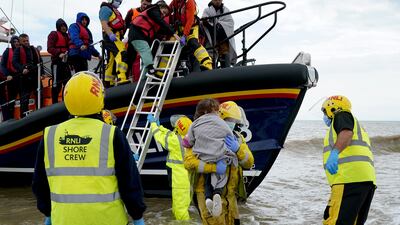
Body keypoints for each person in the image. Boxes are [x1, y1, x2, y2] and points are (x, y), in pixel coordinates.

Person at [32, 71, 146, 225]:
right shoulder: (112, 134)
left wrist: (48, 213)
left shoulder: (50, 135)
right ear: (99, 96)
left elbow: (40, 184)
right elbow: (129, 182)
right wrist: (137, 216)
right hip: (108, 220)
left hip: (64, 220)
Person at [184, 100, 254, 225]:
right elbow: (189, 162)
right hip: (207, 194)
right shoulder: (201, 136)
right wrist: (213, 168)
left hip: (230, 198)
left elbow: (249, 163)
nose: (231, 124)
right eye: (229, 120)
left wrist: (238, 149)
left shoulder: (238, 138)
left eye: (234, 121)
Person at [321, 95, 376, 225]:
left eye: (324, 111)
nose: (324, 116)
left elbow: (346, 133)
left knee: (334, 221)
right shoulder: (359, 127)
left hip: (348, 179)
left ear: (332, 108)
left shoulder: (341, 115)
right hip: (366, 181)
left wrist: (334, 153)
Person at [146, 114, 192, 220]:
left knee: (181, 211)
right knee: (178, 207)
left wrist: (153, 125)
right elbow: (170, 134)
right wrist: (160, 126)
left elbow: (159, 137)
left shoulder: (175, 141)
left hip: (179, 180)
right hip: (185, 179)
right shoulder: (184, 137)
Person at [128, 0, 179, 77]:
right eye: (164, 11)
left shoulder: (155, 17)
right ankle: (151, 70)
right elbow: (161, 22)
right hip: (137, 33)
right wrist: (174, 34)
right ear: (161, 7)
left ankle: (144, 77)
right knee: (145, 50)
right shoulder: (154, 10)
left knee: (146, 55)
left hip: (141, 35)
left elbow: (161, 30)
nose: (164, 14)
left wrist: (174, 29)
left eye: (165, 14)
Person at [169, 0, 213, 71]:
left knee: (193, 42)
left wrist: (185, 35)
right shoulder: (175, 2)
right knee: (170, 44)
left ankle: (207, 63)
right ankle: (162, 70)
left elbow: (190, 20)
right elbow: (168, 11)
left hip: (191, 27)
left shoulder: (189, 2)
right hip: (180, 28)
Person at [12, 33, 42, 118]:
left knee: (40, 95)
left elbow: (40, 62)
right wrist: (22, 69)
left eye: (27, 40)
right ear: (20, 42)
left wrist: (42, 73)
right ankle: (24, 118)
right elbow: (14, 62)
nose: (26, 42)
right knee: (24, 100)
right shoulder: (18, 50)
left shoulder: (34, 49)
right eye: (24, 41)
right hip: (24, 78)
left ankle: (41, 114)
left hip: (35, 76)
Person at [100, 0, 129, 85]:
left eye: (120, 1)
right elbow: (104, 23)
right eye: (117, 0)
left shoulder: (114, 10)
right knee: (121, 53)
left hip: (115, 35)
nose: (119, 2)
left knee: (111, 59)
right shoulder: (105, 9)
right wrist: (110, 35)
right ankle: (121, 77)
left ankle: (108, 82)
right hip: (111, 35)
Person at [202, 0, 236, 68]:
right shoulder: (207, 10)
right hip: (211, 38)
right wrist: (207, 22)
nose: (217, 1)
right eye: (215, 0)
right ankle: (210, 68)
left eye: (219, 0)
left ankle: (226, 69)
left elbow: (230, 23)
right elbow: (203, 22)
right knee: (209, 54)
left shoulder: (226, 10)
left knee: (225, 52)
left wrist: (219, 25)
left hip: (222, 37)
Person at [124, 0, 152, 81]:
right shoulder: (132, 11)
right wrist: (122, 36)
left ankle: (140, 80)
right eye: (144, 4)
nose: (145, 6)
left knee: (144, 59)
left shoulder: (150, 13)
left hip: (144, 40)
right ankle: (125, 78)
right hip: (132, 39)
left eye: (147, 5)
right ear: (141, 2)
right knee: (130, 59)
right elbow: (125, 25)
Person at [47, 18, 71, 104]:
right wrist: (59, 53)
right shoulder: (53, 34)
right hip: (56, 63)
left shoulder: (68, 36)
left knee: (68, 83)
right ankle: (55, 103)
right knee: (56, 85)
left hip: (66, 63)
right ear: (58, 27)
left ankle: (66, 102)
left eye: (64, 26)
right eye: (61, 26)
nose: (63, 28)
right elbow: (50, 48)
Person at [0, 35, 19, 120]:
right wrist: (7, 75)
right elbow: (2, 65)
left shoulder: (23, 51)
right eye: (14, 42)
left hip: (21, 76)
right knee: (11, 99)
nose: (16, 43)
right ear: (11, 43)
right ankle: (10, 118)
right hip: (11, 77)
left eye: (17, 41)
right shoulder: (7, 52)